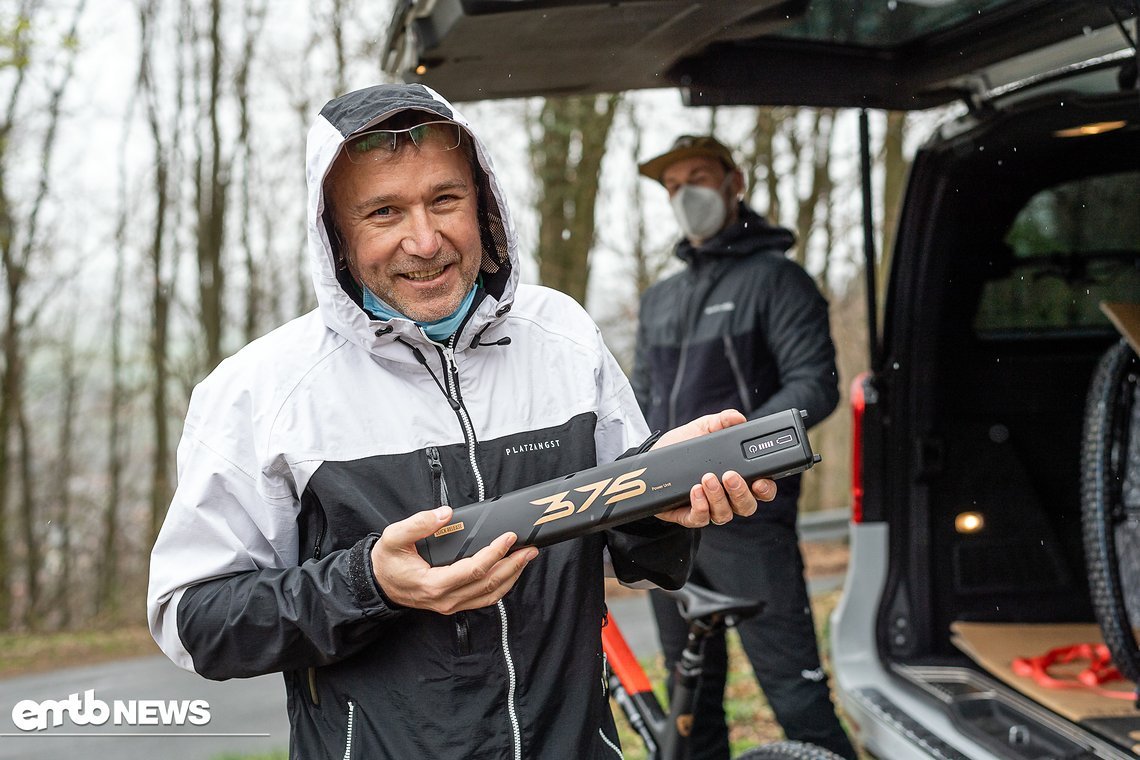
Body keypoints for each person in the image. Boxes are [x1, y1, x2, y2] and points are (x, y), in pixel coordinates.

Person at [147, 84, 776, 760]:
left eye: (444, 200)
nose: (425, 240)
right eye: (384, 211)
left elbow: (625, 538)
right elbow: (193, 621)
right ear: (334, 230)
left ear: (483, 201)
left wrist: (663, 495)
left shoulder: (561, 334)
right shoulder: (261, 390)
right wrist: (368, 584)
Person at [632, 135, 857, 760]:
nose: (685, 195)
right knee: (689, 702)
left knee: (795, 695)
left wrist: (734, 451)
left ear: (735, 182)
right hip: (667, 520)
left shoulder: (777, 280)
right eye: (673, 186)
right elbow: (638, 410)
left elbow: (815, 384)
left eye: (698, 177)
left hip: (750, 511)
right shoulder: (659, 300)